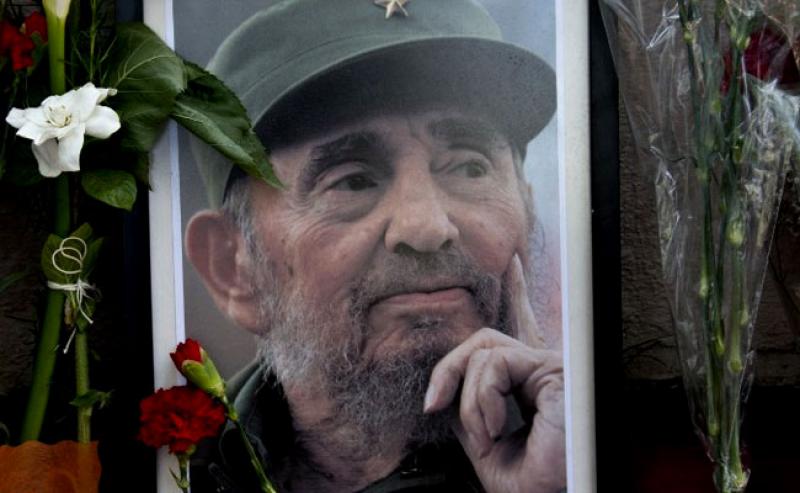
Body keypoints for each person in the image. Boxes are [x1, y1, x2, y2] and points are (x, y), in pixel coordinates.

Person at [185, 0, 566, 491]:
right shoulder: (161, 467)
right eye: (353, 180)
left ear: (527, 211)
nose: (426, 227)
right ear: (233, 267)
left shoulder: (600, 447)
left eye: (469, 167)